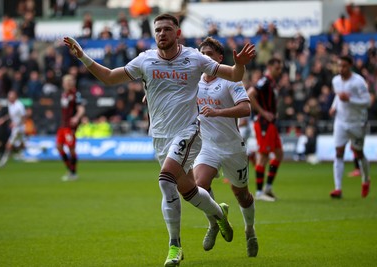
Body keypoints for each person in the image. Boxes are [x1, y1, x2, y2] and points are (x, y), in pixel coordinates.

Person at [64, 13, 255, 267]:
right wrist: (83, 57)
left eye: (167, 29)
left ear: (178, 33)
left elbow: (232, 74)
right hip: (160, 137)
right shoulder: (146, 61)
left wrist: (240, 64)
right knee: (187, 190)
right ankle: (219, 213)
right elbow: (109, 77)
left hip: (188, 132)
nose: (162, 34)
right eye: (158, 30)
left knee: (166, 180)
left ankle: (174, 246)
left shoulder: (194, 57)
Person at [193, 37, 258, 257]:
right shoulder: (194, 80)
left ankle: (250, 230)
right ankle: (214, 221)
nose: (205, 58)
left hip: (232, 147)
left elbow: (246, 109)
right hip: (207, 145)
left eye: (210, 54)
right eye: (202, 54)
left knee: (242, 195)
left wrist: (217, 112)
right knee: (198, 187)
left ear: (220, 58)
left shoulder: (231, 79)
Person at [329, 55, 371, 199]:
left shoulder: (358, 82)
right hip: (341, 121)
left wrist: (350, 99)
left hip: (357, 122)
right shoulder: (336, 80)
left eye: (344, 66)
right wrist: (333, 107)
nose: (341, 69)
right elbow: (338, 95)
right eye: (339, 66)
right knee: (338, 152)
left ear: (350, 66)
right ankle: (338, 188)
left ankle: (365, 180)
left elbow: (367, 101)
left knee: (358, 153)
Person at [247, 57, 283, 202]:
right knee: (263, 156)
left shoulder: (272, 83)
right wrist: (263, 112)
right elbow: (250, 94)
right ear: (269, 67)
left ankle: (267, 187)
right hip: (263, 124)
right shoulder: (265, 81)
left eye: (280, 68)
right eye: (277, 68)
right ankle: (260, 192)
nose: (279, 71)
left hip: (271, 124)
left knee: (279, 154)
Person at [56, 74, 85, 181]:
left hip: (70, 126)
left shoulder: (75, 94)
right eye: (66, 82)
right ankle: (70, 169)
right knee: (59, 146)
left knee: (71, 149)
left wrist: (76, 118)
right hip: (63, 125)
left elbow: (81, 109)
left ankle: (73, 173)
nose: (67, 84)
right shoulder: (64, 94)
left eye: (69, 82)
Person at [0, 90, 26, 168]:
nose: (10, 98)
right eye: (9, 96)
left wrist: (16, 124)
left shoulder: (19, 105)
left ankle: (3, 162)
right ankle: (21, 154)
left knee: (9, 144)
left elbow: (23, 118)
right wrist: (3, 119)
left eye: (11, 97)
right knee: (21, 143)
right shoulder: (10, 104)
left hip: (19, 128)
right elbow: (11, 115)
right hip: (16, 127)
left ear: (15, 97)